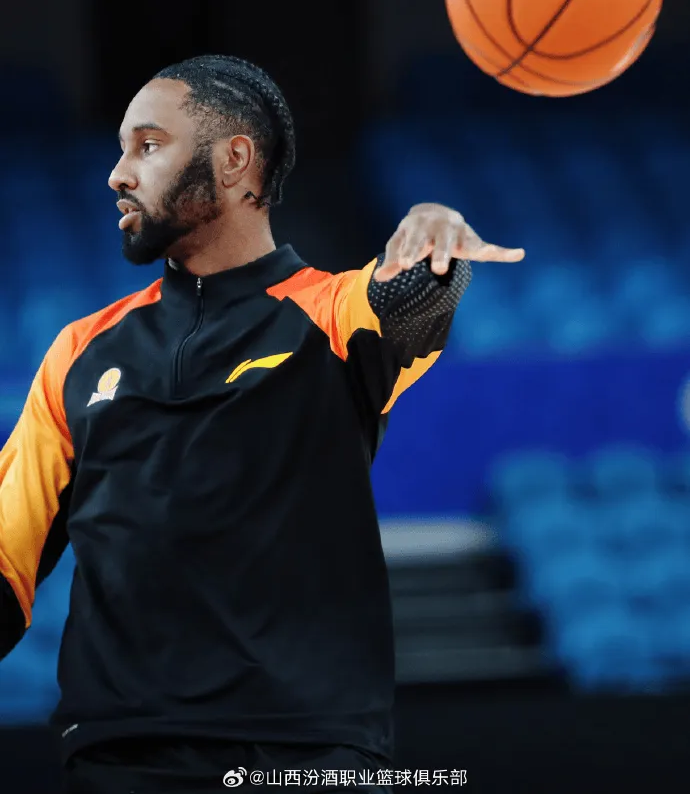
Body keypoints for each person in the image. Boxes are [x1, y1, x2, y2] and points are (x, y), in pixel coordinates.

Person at [0, 55, 524, 793]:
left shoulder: (330, 316)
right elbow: (6, 563)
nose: (118, 174)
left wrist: (435, 239)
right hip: (119, 757)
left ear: (235, 159)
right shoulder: (78, 353)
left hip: (306, 753)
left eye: (147, 145)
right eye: (121, 150)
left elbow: (412, 298)